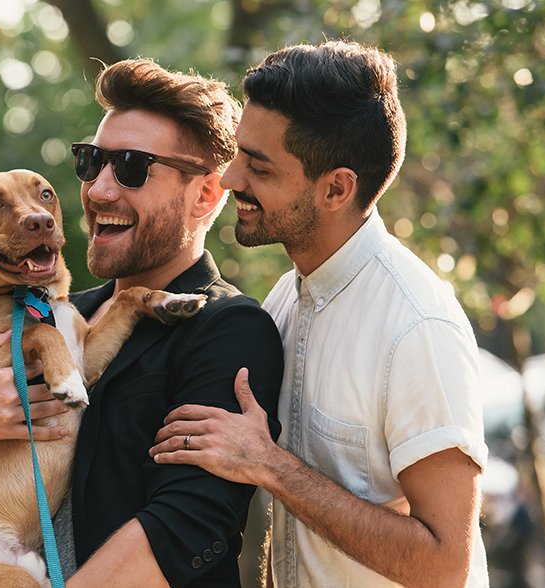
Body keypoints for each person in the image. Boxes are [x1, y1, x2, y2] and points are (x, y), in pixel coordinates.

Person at [0, 58, 284, 586]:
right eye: (93, 163)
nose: (99, 190)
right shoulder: (61, 313)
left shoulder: (226, 327)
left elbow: (186, 525)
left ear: (206, 194)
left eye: (132, 167)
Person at [150, 41, 489, 587]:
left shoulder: (418, 328)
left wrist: (270, 465)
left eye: (258, 167)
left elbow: (444, 565)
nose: (231, 179)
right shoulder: (284, 298)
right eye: (239, 154)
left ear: (336, 188)